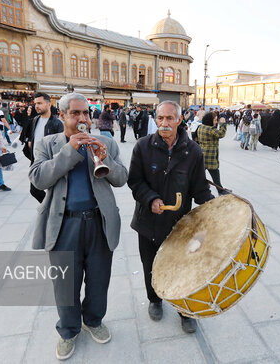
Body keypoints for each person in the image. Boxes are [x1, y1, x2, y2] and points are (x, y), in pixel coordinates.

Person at [28, 93, 127, 360]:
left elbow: (121, 179)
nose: (83, 119)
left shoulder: (105, 141)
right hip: (64, 225)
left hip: (99, 221)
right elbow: (38, 179)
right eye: (76, 113)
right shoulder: (48, 144)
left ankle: (93, 320)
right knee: (65, 284)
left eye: (86, 113)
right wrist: (70, 151)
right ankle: (69, 330)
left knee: (99, 279)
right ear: (62, 116)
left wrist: (107, 159)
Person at [128, 100, 214, 334]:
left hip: (180, 226)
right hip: (148, 221)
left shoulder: (193, 151)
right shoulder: (143, 146)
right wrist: (151, 198)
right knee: (151, 265)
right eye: (160, 118)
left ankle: (184, 310)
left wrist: (215, 209)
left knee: (183, 268)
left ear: (179, 120)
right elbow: (134, 181)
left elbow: (199, 189)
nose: (164, 123)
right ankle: (155, 300)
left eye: (169, 118)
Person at [25, 92, 64, 203]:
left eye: (40, 103)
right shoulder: (35, 120)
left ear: (48, 104)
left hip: (50, 163)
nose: (36, 106)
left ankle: (52, 210)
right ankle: (48, 206)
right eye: (35, 103)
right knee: (34, 190)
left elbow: (61, 145)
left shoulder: (57, 123)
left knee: (54, 190)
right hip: (36, 161)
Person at [198, 112, 229, 195]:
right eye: (215, 120)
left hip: (202, 153)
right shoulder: (210, 129)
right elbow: (221, 134)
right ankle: (220, 190)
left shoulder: (201, 127)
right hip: (210, 156)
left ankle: (220, 189)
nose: (216, 122)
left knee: (200, 174)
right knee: (215, 174)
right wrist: (222, 124)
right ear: (209, 120)